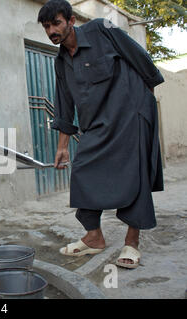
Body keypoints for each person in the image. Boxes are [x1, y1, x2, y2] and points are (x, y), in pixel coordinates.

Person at [37, 0, 164, 269]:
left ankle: (132, 242)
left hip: (130, 115)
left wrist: (146, 102)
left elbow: (139, 56)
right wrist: (62, 146)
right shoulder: (61, 62)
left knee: (135, 176)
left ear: (71, 21)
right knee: (82, 169)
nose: (51, 31)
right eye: (47, 26)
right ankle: (93, 237)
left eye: (56, 23)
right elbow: (64, 105)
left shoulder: (101, 29)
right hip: (96, 125)